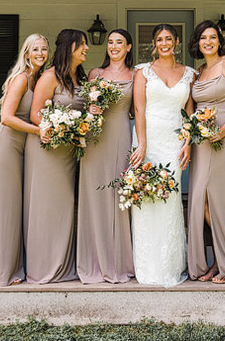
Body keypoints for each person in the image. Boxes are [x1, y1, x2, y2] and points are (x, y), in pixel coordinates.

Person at [0, 34, 49, 286]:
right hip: (6, 147)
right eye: (35, 49)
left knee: (15, 209)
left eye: (44, 49)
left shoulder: (38, 79)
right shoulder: (20, 79)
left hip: (21, 148)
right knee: (4, 209)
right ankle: (1, 271)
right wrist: (39, 131)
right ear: (26, 53)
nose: (40, 53)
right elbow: (6, 117)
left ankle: (14, 266)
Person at [128, 24, 194, 287]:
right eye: (159, 39)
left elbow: (189, 113)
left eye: (169, 38)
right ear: (154, 43)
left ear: (176, 41)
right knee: (146, 199)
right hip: (148, 140)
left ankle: (171, 264)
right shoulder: (143, 72)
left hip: (174, 142)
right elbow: (138, 108)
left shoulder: (190, 74)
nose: (164, 43)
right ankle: (148, 265)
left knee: (170, 199)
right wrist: (142, 145)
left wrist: (188, 142)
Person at [23, 29, 89, 284]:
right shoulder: (50, 77)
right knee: (47, 207)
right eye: (82, 45)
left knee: (64, 207)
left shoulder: (78, 76)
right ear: (69, 48)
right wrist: (62, 128)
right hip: (48, 150)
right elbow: (36, 115)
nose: (85, 48)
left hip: (69, 151)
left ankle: (63, 264)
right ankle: (43, 267)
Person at [187, 20, 225, 284]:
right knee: (200, 199)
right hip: (202, 141)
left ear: (219, 41)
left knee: (218, 200)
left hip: (224, 138)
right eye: (203, 38)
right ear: (197, 43)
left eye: (212, 37)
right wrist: (192, 132)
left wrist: (221, 132)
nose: (208, 42)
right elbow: (189, 109)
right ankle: (218, 260)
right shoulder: (198, 72)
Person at [77, 29, 135, 284]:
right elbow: (84, 108)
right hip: (96, 138)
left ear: (129, 47)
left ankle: (121, 261)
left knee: (120, 194)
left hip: (121, 134)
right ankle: (94, 260)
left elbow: (139, 111)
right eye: (110, 42)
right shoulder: (95, 74)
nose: (113, 46)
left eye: (119, 43)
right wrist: (91, 107)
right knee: (95, 195)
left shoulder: (136, 76)